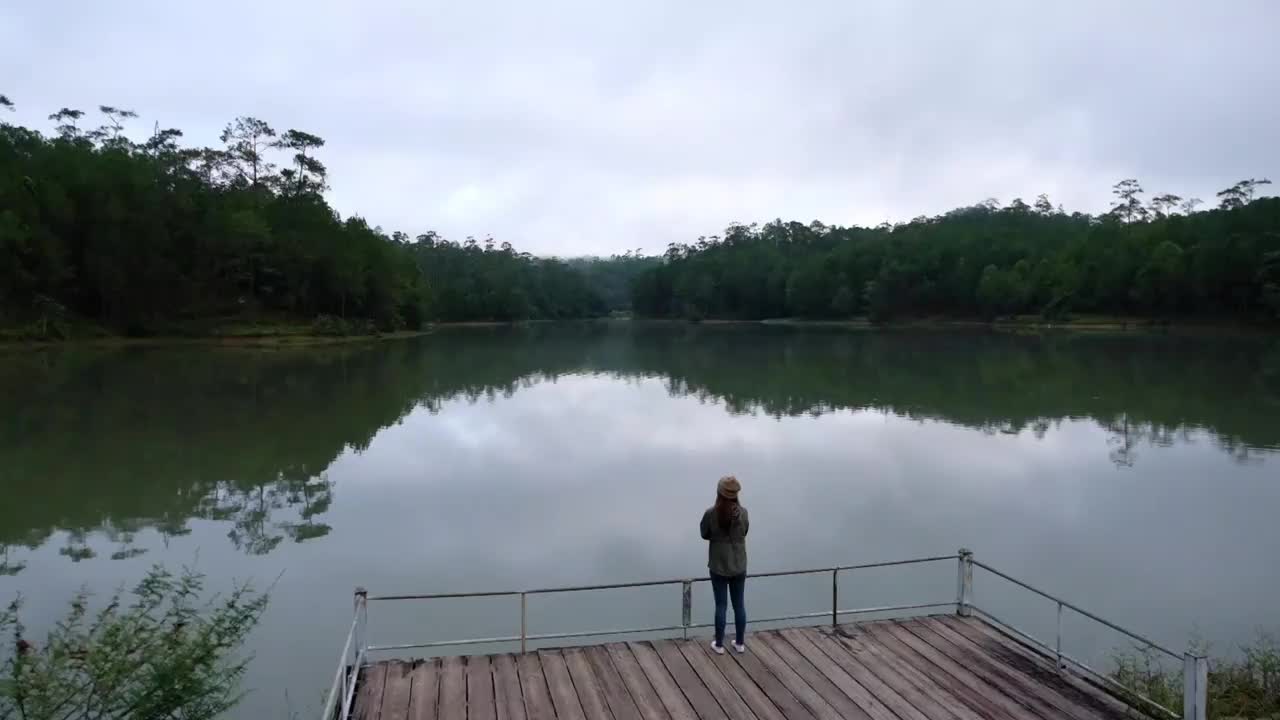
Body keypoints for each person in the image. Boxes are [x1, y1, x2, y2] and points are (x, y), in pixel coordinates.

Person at [700, 475, 748, 654]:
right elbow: (745, 531)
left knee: (721, 606)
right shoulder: (743, 513)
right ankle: (740, 643)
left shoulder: (711, 514)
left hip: (718, 565)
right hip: (738, 565)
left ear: (719, 493)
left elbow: (704, 533)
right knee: (739, 605)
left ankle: (719, 644)